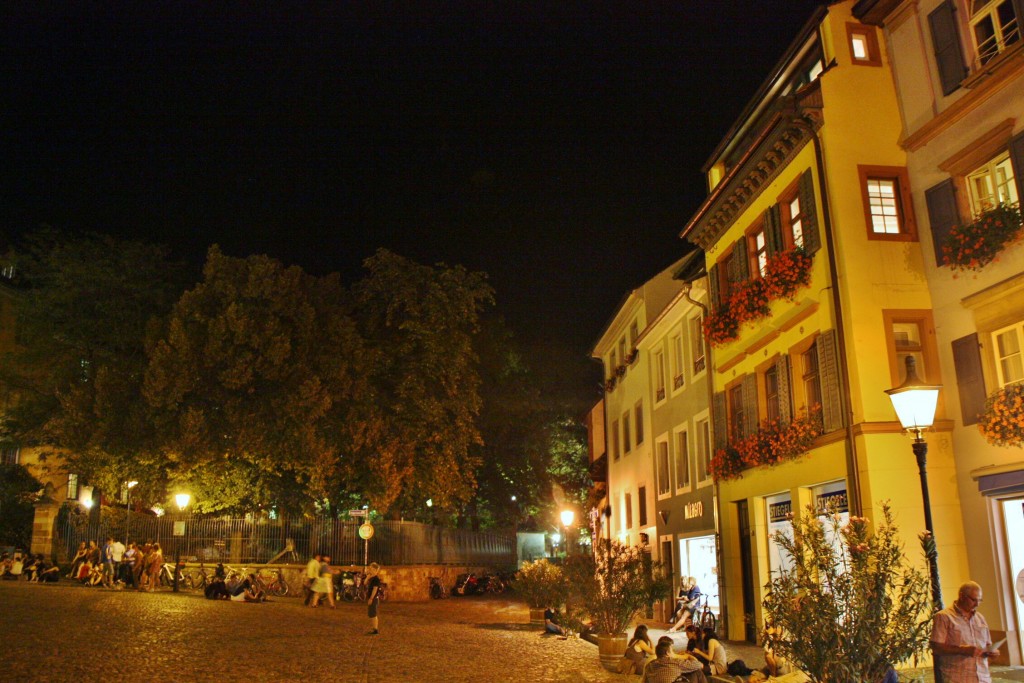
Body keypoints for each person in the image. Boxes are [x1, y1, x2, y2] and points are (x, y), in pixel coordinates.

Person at [931, 580, 1001, 682]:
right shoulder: (944, 617)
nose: (977, 604)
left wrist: (993, 652)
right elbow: (937, 647)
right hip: (958, 677)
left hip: (982, 677)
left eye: (980, 600)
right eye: (973, 600)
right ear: (962, 596)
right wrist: (963, 650)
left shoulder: (980, 618)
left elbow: (988, 644)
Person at [641, 637, 707, 683]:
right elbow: (700, 665)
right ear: (667, 653)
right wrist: (689, 656)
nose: (674, 652)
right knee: (697, 671)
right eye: (672, 650)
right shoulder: (674, 662)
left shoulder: (649, 665)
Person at [366, 562, 383, 635]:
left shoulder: (376, 579)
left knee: (373, 614)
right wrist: (367, 577)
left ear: (376, 570)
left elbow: (375, 589)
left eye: (372, 569)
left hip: (374, 598)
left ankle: (375, 630)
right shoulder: (371, 578)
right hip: (372, 598)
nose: (370, 570)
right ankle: (374, 629)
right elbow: (364, 583)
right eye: (370, 569)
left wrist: (371, 598)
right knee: (371, 614)